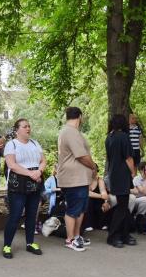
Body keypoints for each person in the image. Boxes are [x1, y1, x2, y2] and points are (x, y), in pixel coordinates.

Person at [3, 118, 47, 258]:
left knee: (32, 214)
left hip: (35, 181)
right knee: (15, 215)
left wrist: (39, 172)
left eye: (29, 126)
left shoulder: (35, 143)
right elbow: (12, 164)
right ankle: (7, 246)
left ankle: (30, 243)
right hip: (18, 183)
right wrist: (30, 174)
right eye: (24, 126)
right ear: (17, 130)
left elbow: (43, 161)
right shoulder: (12, 145)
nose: (28, 128)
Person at [57, 107, 96, 251]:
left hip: (80, 179)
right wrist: (93, 167)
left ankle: (77, 236)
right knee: (73, 209)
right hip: (73, 179)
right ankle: (70, 239)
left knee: (80, 209)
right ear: (80, 116)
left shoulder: (72, 132)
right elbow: (81, 155)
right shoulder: (70, 132)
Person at [105, 114, 137, 248]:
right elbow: (128, 158)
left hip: (114, 174)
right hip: (123, 175)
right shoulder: (123, 136)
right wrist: (133, 172)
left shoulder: (109, 137)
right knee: (122, 207)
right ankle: (113, 236)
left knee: (123, 206)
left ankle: (124, 234)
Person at [83, 165, 109, 232]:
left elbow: (104, 193)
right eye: (91, 169)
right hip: (87, 200)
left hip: (97, 201)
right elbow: (87, 193)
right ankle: (88, 224)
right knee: (89, 200)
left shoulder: (100, 180)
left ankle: (101, 224)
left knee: (101, 202)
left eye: (94, 170)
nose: (93, 171)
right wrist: (100, 196)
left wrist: (106, 201)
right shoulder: (84, 180)